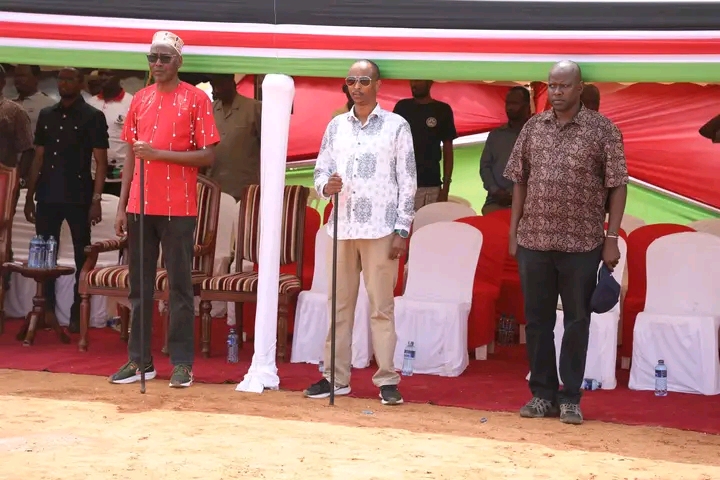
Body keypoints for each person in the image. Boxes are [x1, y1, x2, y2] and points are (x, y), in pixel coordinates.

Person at [503, 61, 628, 425]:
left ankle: (570, 396)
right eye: (552, 86)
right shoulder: (533, 127)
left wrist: (611, 238)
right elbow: (519, 180)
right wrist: (513, 232)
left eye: (564, 86)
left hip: (582, 243)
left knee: (577, 321)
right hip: (534, 240)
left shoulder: (603, 130)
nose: (556, 92)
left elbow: (618, 185)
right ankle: (542, 394)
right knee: (537, 321)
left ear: (579, 88)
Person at [108, 31, 218, 388]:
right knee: (139, 287)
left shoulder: (196, 99)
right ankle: (139, 360)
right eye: (152, 57)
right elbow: (130, 155)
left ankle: (182, 363)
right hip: (140, 205)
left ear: (178, 62)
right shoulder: (140, 98)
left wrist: (159, 155)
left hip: (178, 207)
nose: (157, 63)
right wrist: (122, 206)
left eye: (164, 57)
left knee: (180, 287)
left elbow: (207, 155)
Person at [304, 59, 416, 405]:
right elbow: (320, 170)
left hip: (381, 228)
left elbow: (408, 180)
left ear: (378, 85)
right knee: (338, 306)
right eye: (351, 81)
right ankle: (334, 377)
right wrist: (326, 186)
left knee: (381, 307)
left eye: (364, 80)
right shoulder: (336, 126)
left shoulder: (396, 126)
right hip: (341, 227)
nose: (357, 87)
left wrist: (402, 229)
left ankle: (387, 380)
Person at [24, 68, 109, 333]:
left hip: (78, 194)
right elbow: (38, 157)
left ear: (81, 83)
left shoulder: (93, 116)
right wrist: (29, 196)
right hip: (47, 193)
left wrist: (96, 199)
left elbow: (101, 162)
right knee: (45, 256)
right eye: (60, 79)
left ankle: (76, 312)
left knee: (82, 253)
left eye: (69, 79)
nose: (63, 83)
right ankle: (46, 309)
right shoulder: (46, 114)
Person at [393, 80, 457, 210]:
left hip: (431, 184)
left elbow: (448, 150)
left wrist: (445, 188)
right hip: (404, 184)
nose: (413, 84)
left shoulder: (442, 110)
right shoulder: (402, 107)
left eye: (418, 80)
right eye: (411, 81)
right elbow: (391, 144)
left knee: (430, 222)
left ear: (429, 82)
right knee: (406, 223)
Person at [207, 74, 262, 201]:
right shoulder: (209, 109)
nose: (215, 90)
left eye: (219, 85)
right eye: (213, 86)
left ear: (231, 83)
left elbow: (268, 147)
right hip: (214, 187)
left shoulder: (254, 108)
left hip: (244, 188)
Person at [480, 86, 531, 215]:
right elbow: (485, 167)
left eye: (515, 103)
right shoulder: (496, 135)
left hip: (530, 203)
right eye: (508, 103)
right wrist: (495, 191)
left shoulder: (538, 134)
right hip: (496, 202)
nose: (509, 107)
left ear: (527, 106)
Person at [87, 70, 133, 197]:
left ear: (119, 75)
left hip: (120, 176)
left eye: (108, 74)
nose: (103, 78)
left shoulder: (132, 103)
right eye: (101, 74)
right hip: (91, 174)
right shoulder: (90, 103)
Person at [12, 65, 55, 186]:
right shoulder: (9, 104)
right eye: (16, 76)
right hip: (8, 167)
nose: (18, 80)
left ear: (36, 78)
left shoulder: (48, 105)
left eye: (23, 76)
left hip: (36, 171)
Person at [0, 65, 34, 172]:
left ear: (2, 82)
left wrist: (18, 177)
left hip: (4, 174)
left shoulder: (15, 111)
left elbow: (27, 150)